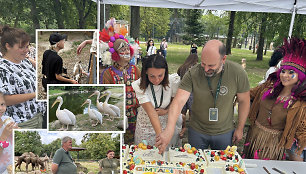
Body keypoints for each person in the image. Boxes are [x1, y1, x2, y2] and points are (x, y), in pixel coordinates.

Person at [156, 40, 250, 153]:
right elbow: (178, 102)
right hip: (197, 130)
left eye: (211, 65)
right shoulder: (193, 73)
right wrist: (169, 129)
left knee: (222, 164)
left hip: (224, 131)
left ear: (223, 59)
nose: (205, 69)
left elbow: (244, 101)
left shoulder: (237, 73)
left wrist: (240, 128)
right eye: (203, 63)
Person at [243, 38, 306, 161]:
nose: (285, 75)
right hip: (254, 135)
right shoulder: (268, 87)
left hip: (273, 144)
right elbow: (248, 94)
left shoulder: (300, 104)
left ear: (300, 77)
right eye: (283, 71)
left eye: (291, 72)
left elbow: (301, 130)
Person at [0, 26, 46, 128]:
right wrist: (35, 94)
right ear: (8, 46)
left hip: (39, 115)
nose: (27, 50)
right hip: (22, 122)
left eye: (27, 46)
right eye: (22, 47)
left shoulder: (25, 61)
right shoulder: (2, 69)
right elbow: (5, 99)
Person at [132, 54, 180, 146]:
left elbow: (175, 103)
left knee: (165, 156)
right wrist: (160, 136)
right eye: (152, 76)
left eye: (160, 75)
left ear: (165, 72)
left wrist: (166, 111)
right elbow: (151, 113)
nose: (157, 80)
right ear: (146, 72)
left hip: (166, 124)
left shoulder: (173, 81)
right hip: (145, 126)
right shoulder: (139, 85)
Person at [100, 34, 140, 145]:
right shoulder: (108, 73)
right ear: (115, 54)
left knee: (133, 145)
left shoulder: (135, 70)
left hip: (134, 115)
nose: (126, 51)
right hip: (118, 116)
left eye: (128, 48)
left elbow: (143, 89)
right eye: (122, 49)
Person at [176, 53, 199, 139]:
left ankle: (182, 128)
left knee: (182, 113)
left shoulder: (182, 67)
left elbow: (178, 76)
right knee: (192, 113)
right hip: (192, 93)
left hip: (182, 92)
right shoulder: (196, 68)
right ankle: (192, 129)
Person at [0, 92, 18, 174]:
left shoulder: (8, 119)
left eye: (2, 104)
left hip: (11, 167)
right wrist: (3, 137)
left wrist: (17, 131)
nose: (0, 108)